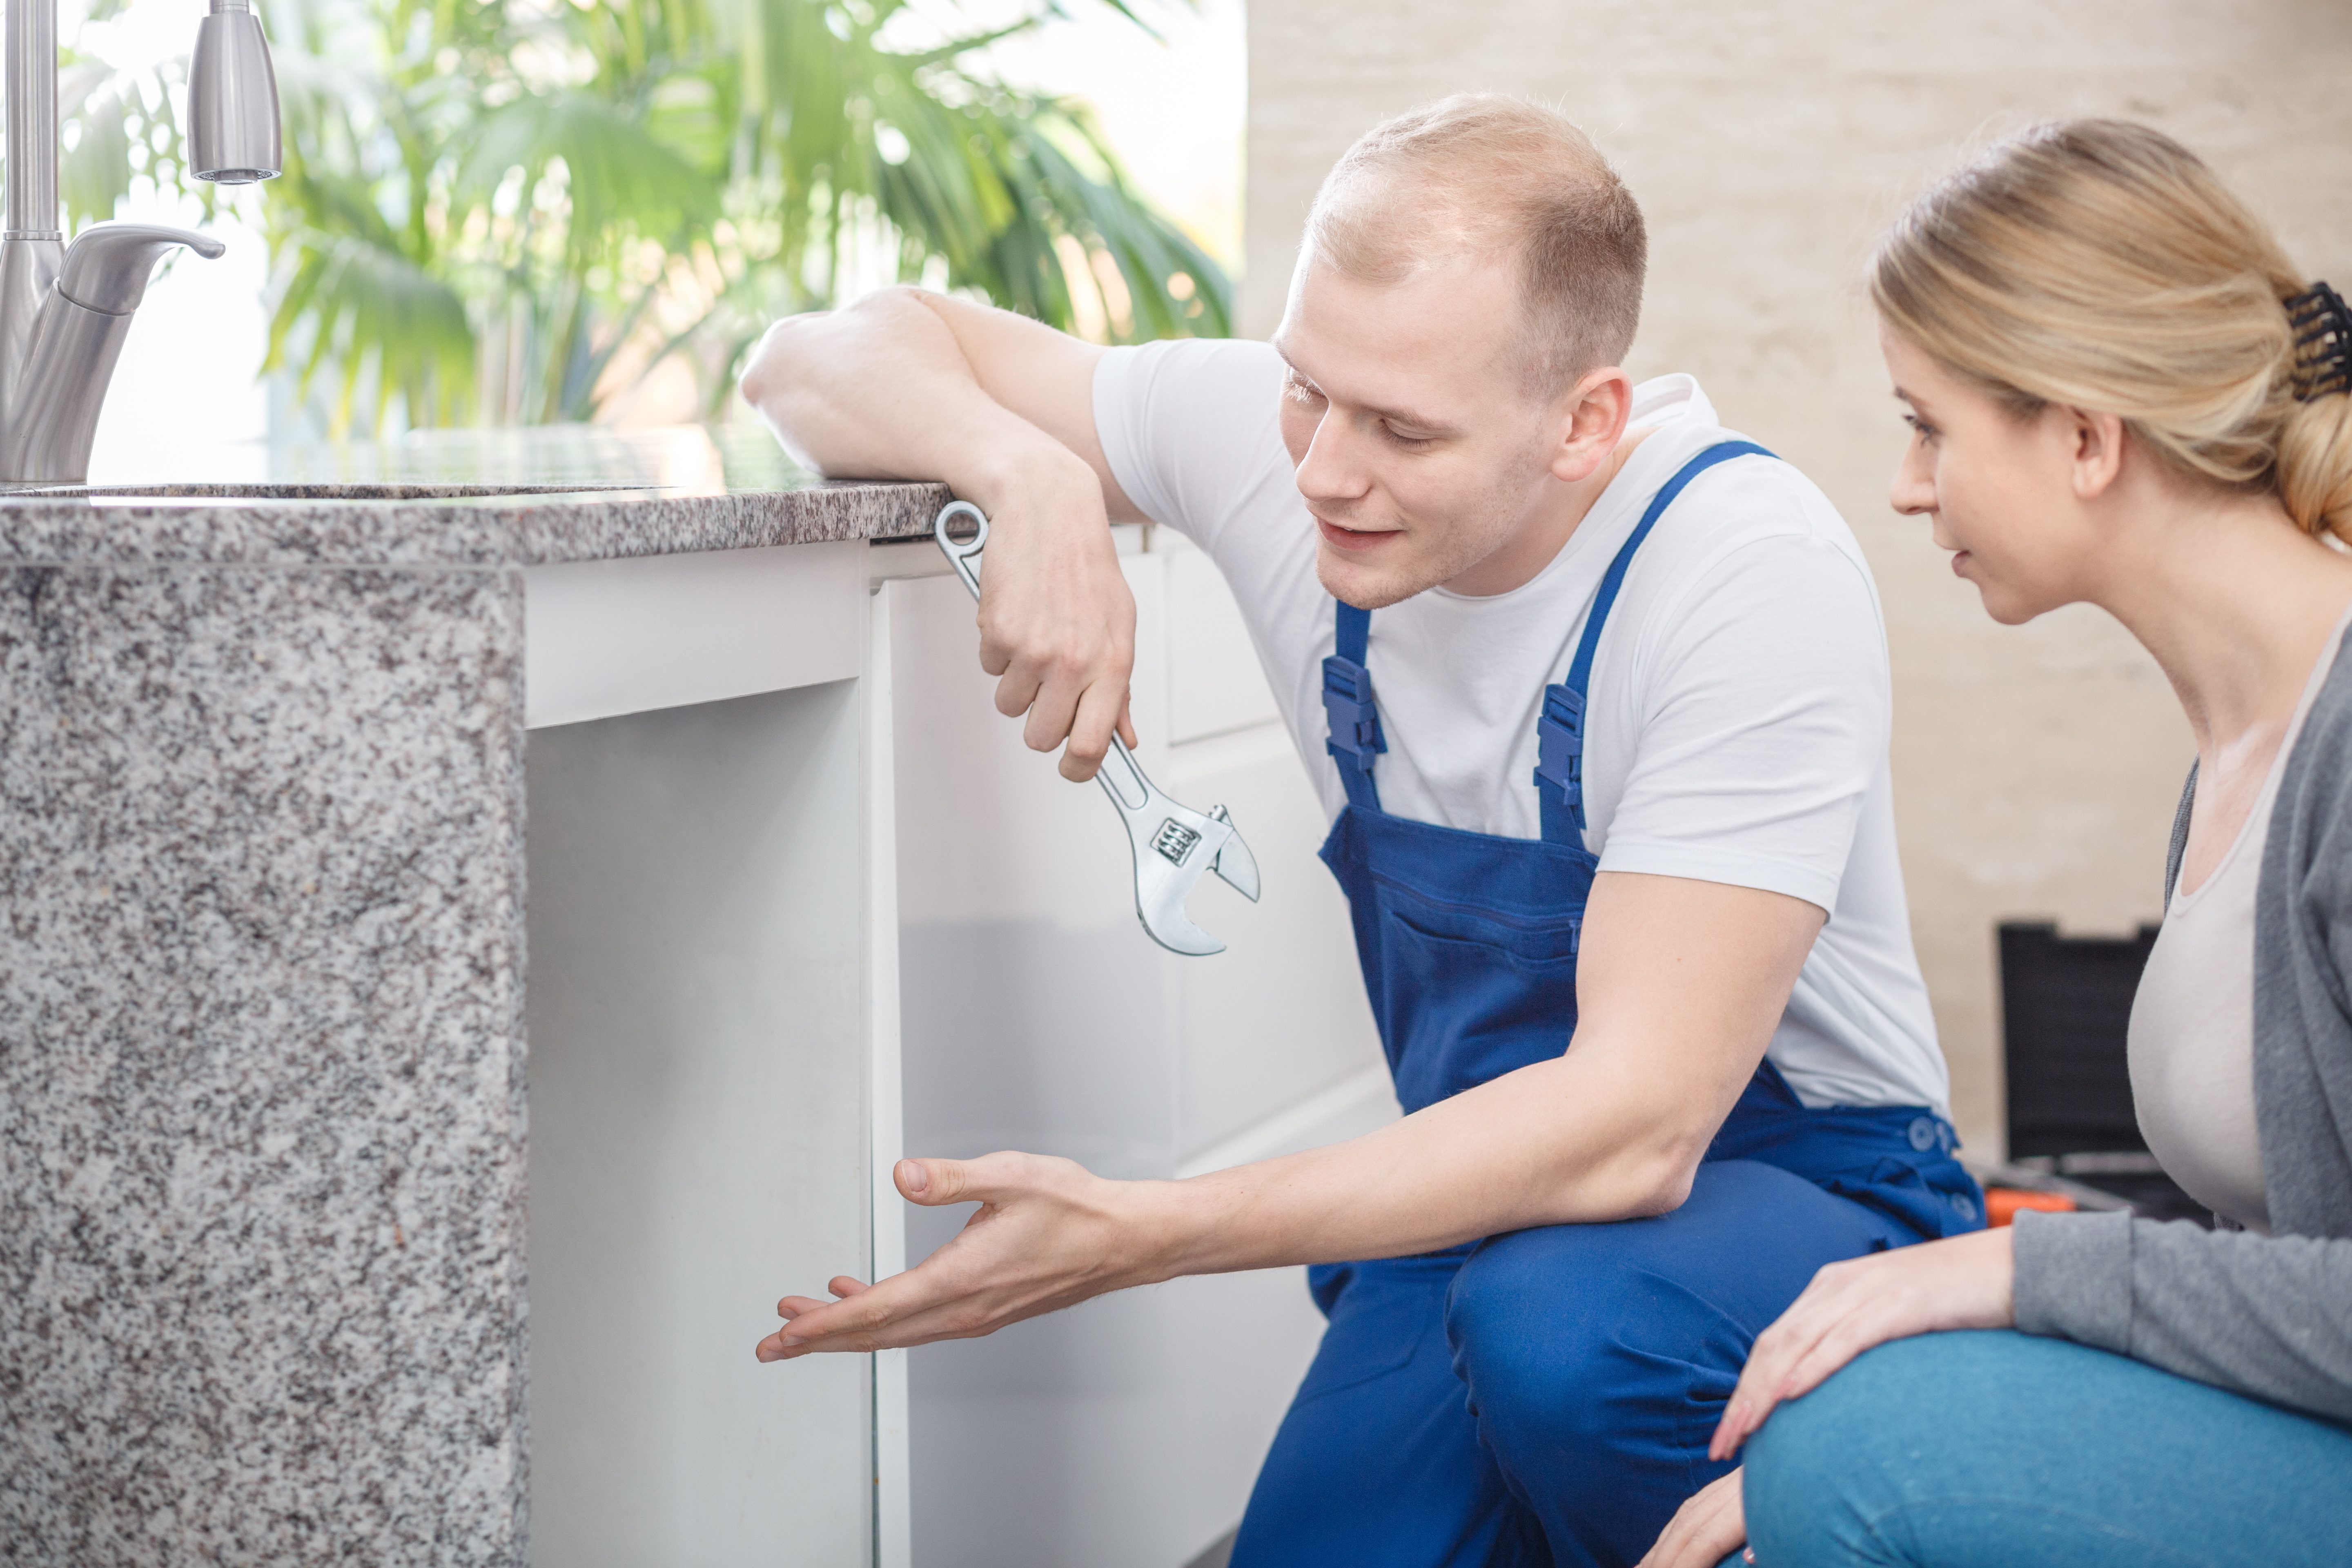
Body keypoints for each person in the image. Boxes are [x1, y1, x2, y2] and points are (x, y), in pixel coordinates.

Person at [741, 94, 1982, 1568]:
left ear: (1585, 421)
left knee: (1568, 1347)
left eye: (1402, 429)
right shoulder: (1306, 443)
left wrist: (1145, 1230)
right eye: (1306, 390)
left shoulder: (1740, 574)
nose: (1326, 469)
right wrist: (1032, 476)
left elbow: (1640, 1128)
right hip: (1483, 1200)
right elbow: (809, 356)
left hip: (1793, 1191)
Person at [1639, 120, 2352, 1568]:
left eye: (1928, 425)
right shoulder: (2242, 753)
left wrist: (2013, 1274)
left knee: (1858, 1446)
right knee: (1834, 1432)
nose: (1908, 486)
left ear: (2086, 437)